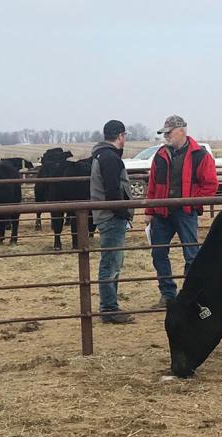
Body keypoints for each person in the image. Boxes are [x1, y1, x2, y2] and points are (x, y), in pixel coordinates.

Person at [145, 115, 218, 308]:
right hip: (162, 212)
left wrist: (193, 202)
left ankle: (190, 294)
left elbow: (210, 185)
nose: (166, 136)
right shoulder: (161, 155)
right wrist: (150, 210)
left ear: (181, 131)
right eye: (165, 133)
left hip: (185, 212)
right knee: (159, 253)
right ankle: (168, 294)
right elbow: (152, 184)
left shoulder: (200, 155)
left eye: (169, 132)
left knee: (191, 254)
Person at [90, 120, 134, 324]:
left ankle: (110, 305)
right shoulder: (110, 158)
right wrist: (123, 212)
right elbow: (113, 191)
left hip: (106, 215)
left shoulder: (102, 155)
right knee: (111, 262)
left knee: (113, 261)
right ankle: (109, 308)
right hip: (111, 217)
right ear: (121, 136)